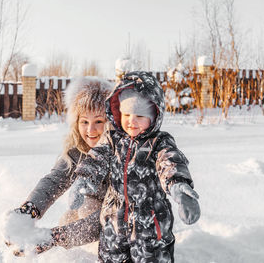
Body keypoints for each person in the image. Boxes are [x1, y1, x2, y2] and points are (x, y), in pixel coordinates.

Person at [73, 71, 201, 262]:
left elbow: (170, 162)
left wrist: (179, 188)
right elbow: (95, 159)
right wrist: (83, 180)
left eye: (140, 115)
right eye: (126, 114)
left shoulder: (159, 142)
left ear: (155, 115)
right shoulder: (112, 139)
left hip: (150, 224)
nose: (131, 121)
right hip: (113, 222)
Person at [14, 76, 114, 250]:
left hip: (121, 226)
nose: (90, 130)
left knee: (86, 209)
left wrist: (57, 237)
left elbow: (112, 214)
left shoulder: (122, 155)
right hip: (93, 220)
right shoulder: (78, 151)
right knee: (70, 216)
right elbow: (53, 181)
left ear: (111, 123)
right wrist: (30, 211)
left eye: (99, 121)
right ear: (76, 123)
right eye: (84, 122)